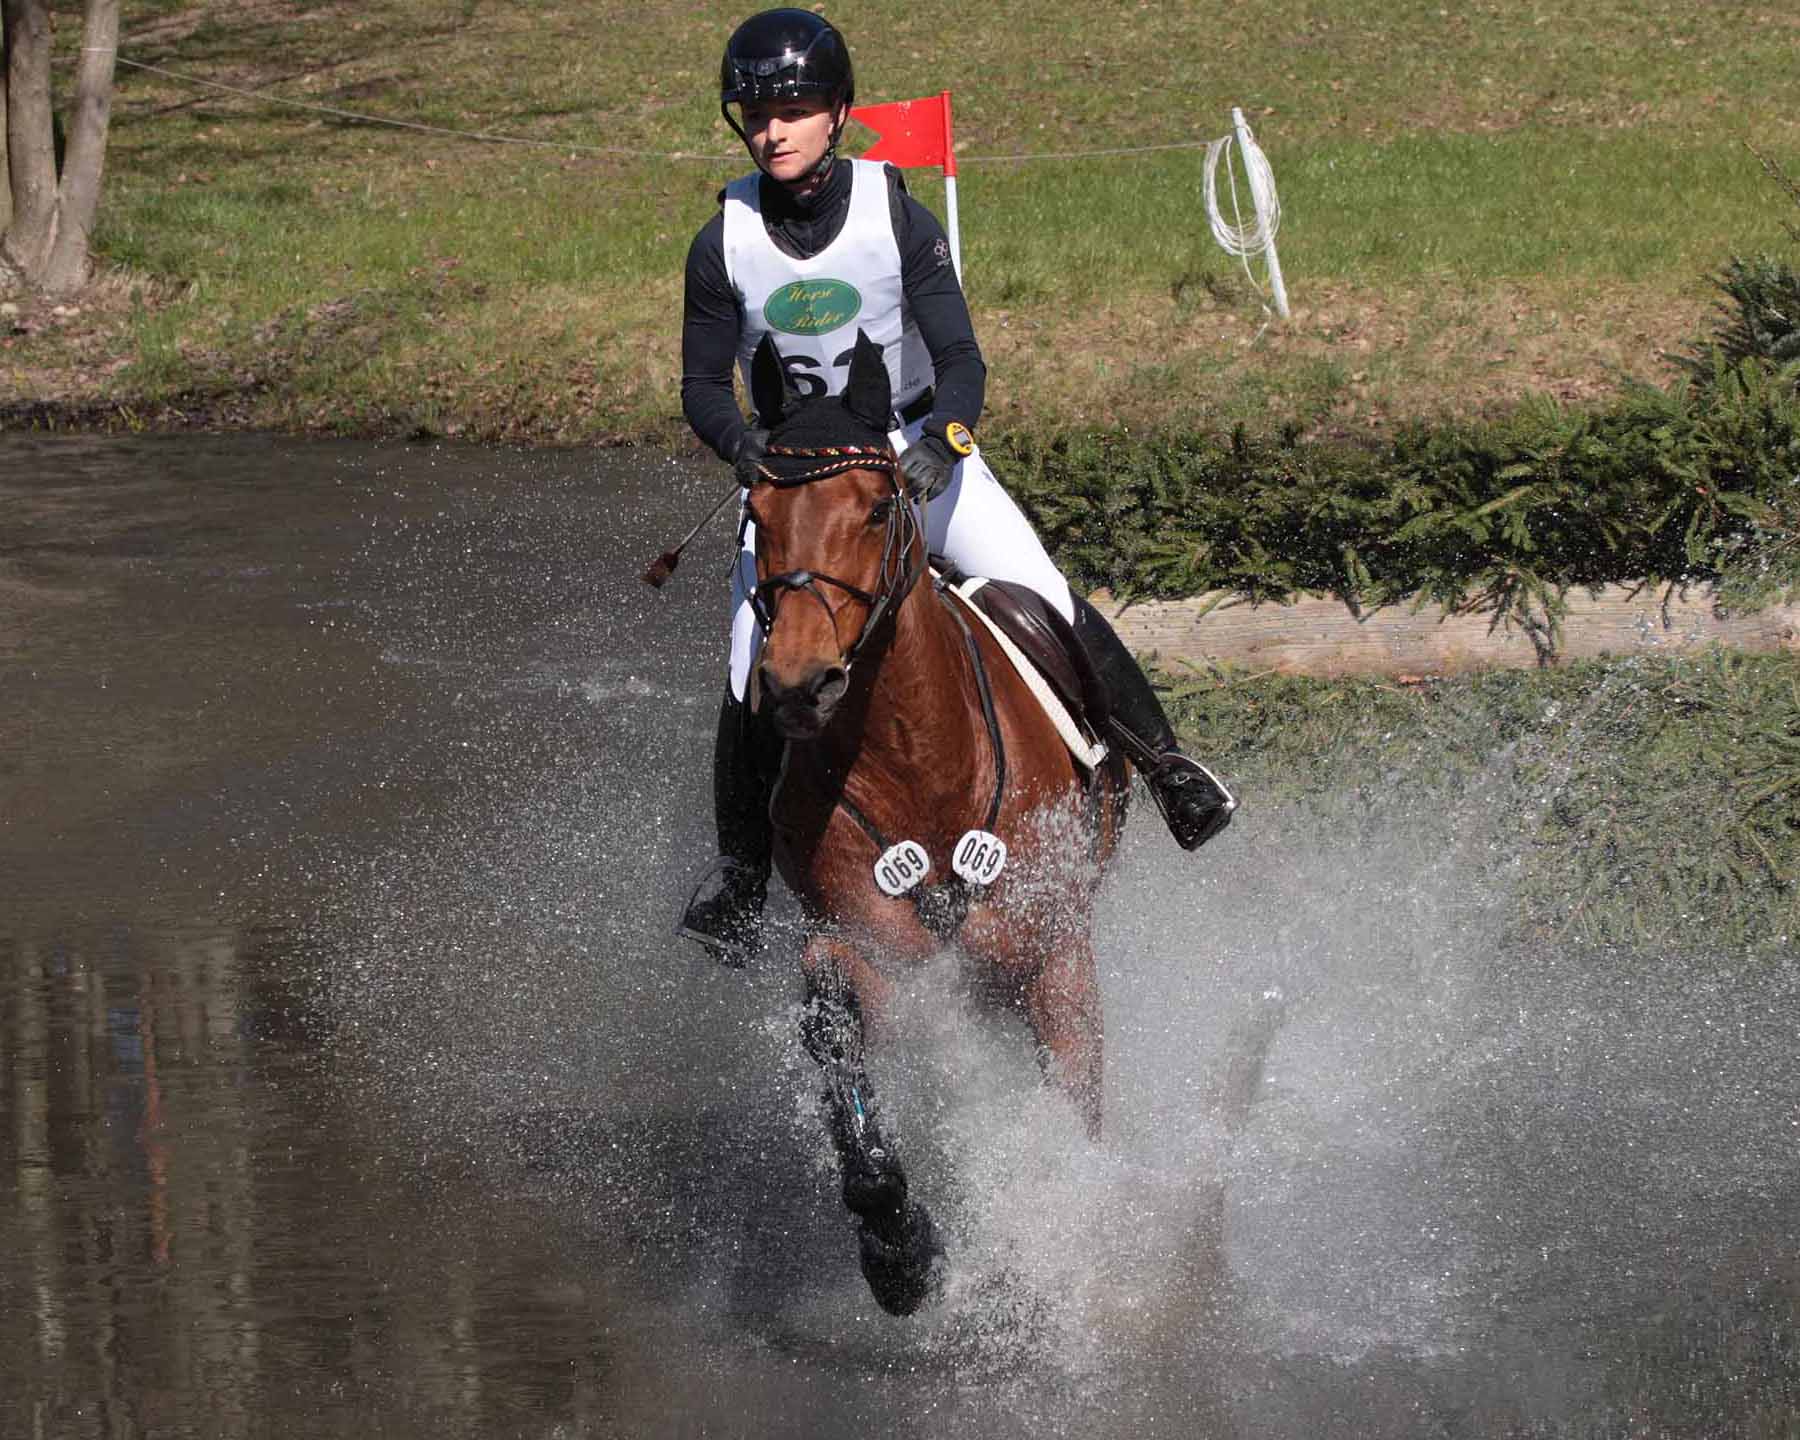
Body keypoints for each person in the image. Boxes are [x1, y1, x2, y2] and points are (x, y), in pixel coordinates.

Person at [678, 8, 1235, 961]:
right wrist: (741, 449)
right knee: (748, 673)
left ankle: (1171, 768)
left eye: (795, 110)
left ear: (837, 115)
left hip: (915, 459)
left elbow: (962, 356)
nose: (772, 130)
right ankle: (740, 879)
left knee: (1048, 600)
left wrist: (945, 439)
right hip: (801, 489)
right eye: (756, 113)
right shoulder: (720, 238)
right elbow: (699, 384)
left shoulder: (895, 213)